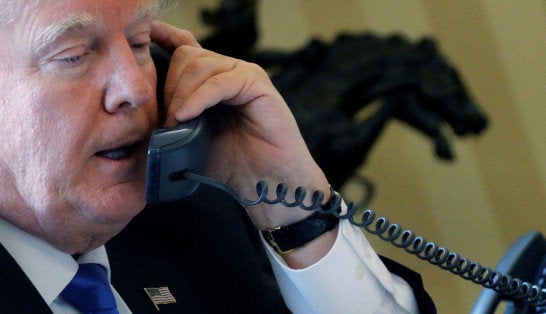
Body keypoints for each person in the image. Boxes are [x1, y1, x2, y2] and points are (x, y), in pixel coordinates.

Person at [0, 0, 435, 313]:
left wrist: (295, 210)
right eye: (73, 55)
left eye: (139, 44)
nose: (135, 87)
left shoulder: (199, 225)